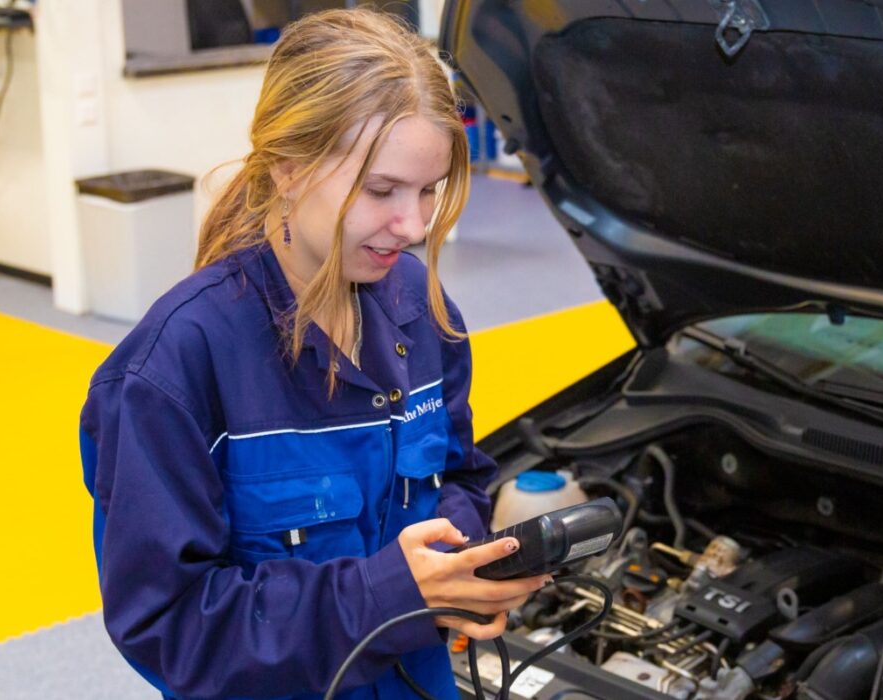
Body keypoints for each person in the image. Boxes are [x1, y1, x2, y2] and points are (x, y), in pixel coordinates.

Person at [78, 9, 547, 699]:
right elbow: (168, 624)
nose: (413, 225)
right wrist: (388, 595)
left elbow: (460, 476)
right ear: (290, 168)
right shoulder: (172, 370)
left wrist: (459, 568)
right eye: (382, 191)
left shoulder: (421, 311)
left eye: (428, 191)